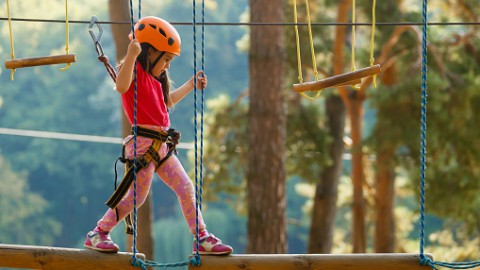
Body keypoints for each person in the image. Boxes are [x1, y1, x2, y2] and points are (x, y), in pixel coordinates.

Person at [84, 16, 233, 255]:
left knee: (186, 187)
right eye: (166, 59)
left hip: (161, 147)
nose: (167, 65)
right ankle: (98, 233)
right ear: (150, 52)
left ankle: (201, 237)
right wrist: (132, 55)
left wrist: (190, 84)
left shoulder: (155, 81)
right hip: (143, 146)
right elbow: (121, 86)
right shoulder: (133, 71)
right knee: (136, 197)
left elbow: (167, 101)